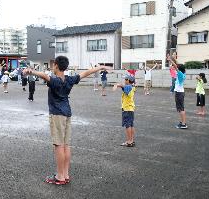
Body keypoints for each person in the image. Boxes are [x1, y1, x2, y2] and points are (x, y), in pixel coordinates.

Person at [23, 56, 111, 185]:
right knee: (66, 145)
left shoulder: (55, 81)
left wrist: (31, 71)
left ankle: (60, 176)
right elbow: (86, 73)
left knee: (58, 145)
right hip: (67, 113)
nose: (53, 67)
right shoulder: (69, 80)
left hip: (57, 114)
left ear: (57, 66)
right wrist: (101, 67)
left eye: (54, 65)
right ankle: (65, 174)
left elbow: (43, 75)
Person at [115, 75, 136, 147]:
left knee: (128, 125)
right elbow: (124, 87)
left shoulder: (129, 87)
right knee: (131, 125)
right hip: (130, 109)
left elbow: (123, 86)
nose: (124, 80)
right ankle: (131, 140)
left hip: (127, 109)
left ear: (128, 80)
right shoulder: (132, 87)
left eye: (125, 79)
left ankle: (129, 141)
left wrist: (117, 85)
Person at [167, 55, 187, 129]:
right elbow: (178, 65)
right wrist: (174, 59)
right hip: (180, 92)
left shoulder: (180, 74)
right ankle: (182, 122)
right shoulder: (183, 73)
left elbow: (176, 66)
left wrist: (170, 60)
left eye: (178, 68)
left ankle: (184, 124)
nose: (176, 68)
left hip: (179, 93)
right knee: (181, 109)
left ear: (179, 69)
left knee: (181, 109)